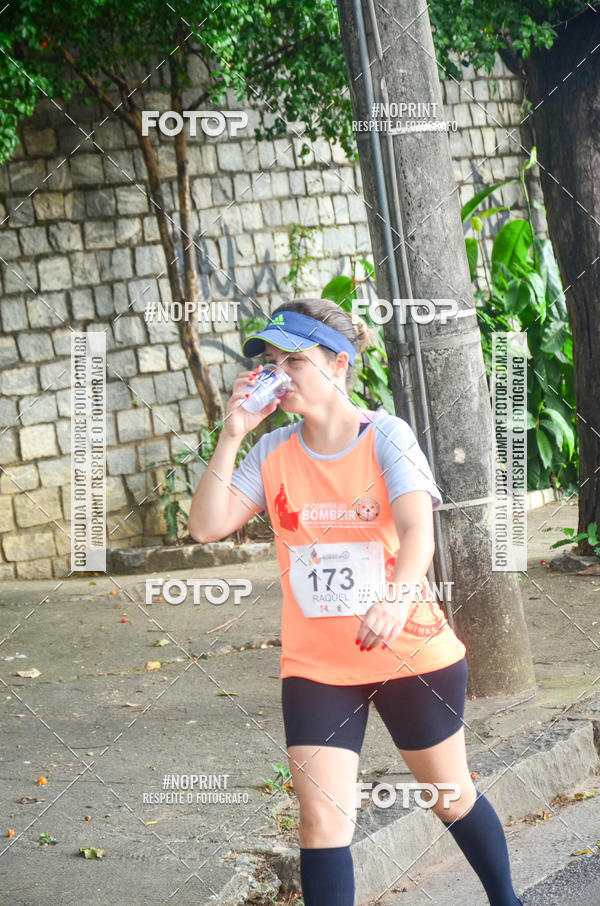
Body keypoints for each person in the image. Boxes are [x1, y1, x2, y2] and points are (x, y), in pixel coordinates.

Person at [188, 298, 523, 906]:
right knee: (323, 824)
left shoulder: (385, 437)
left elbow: (419, 529)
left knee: (449, 797)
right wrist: (234, 431)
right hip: (317, 667)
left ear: (338, 365)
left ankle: (507, 900)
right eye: (270, 361)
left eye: (295, 360)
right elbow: (207, 526)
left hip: (410, 654)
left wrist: (396, 597)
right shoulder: (272, 453)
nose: (279, 374)